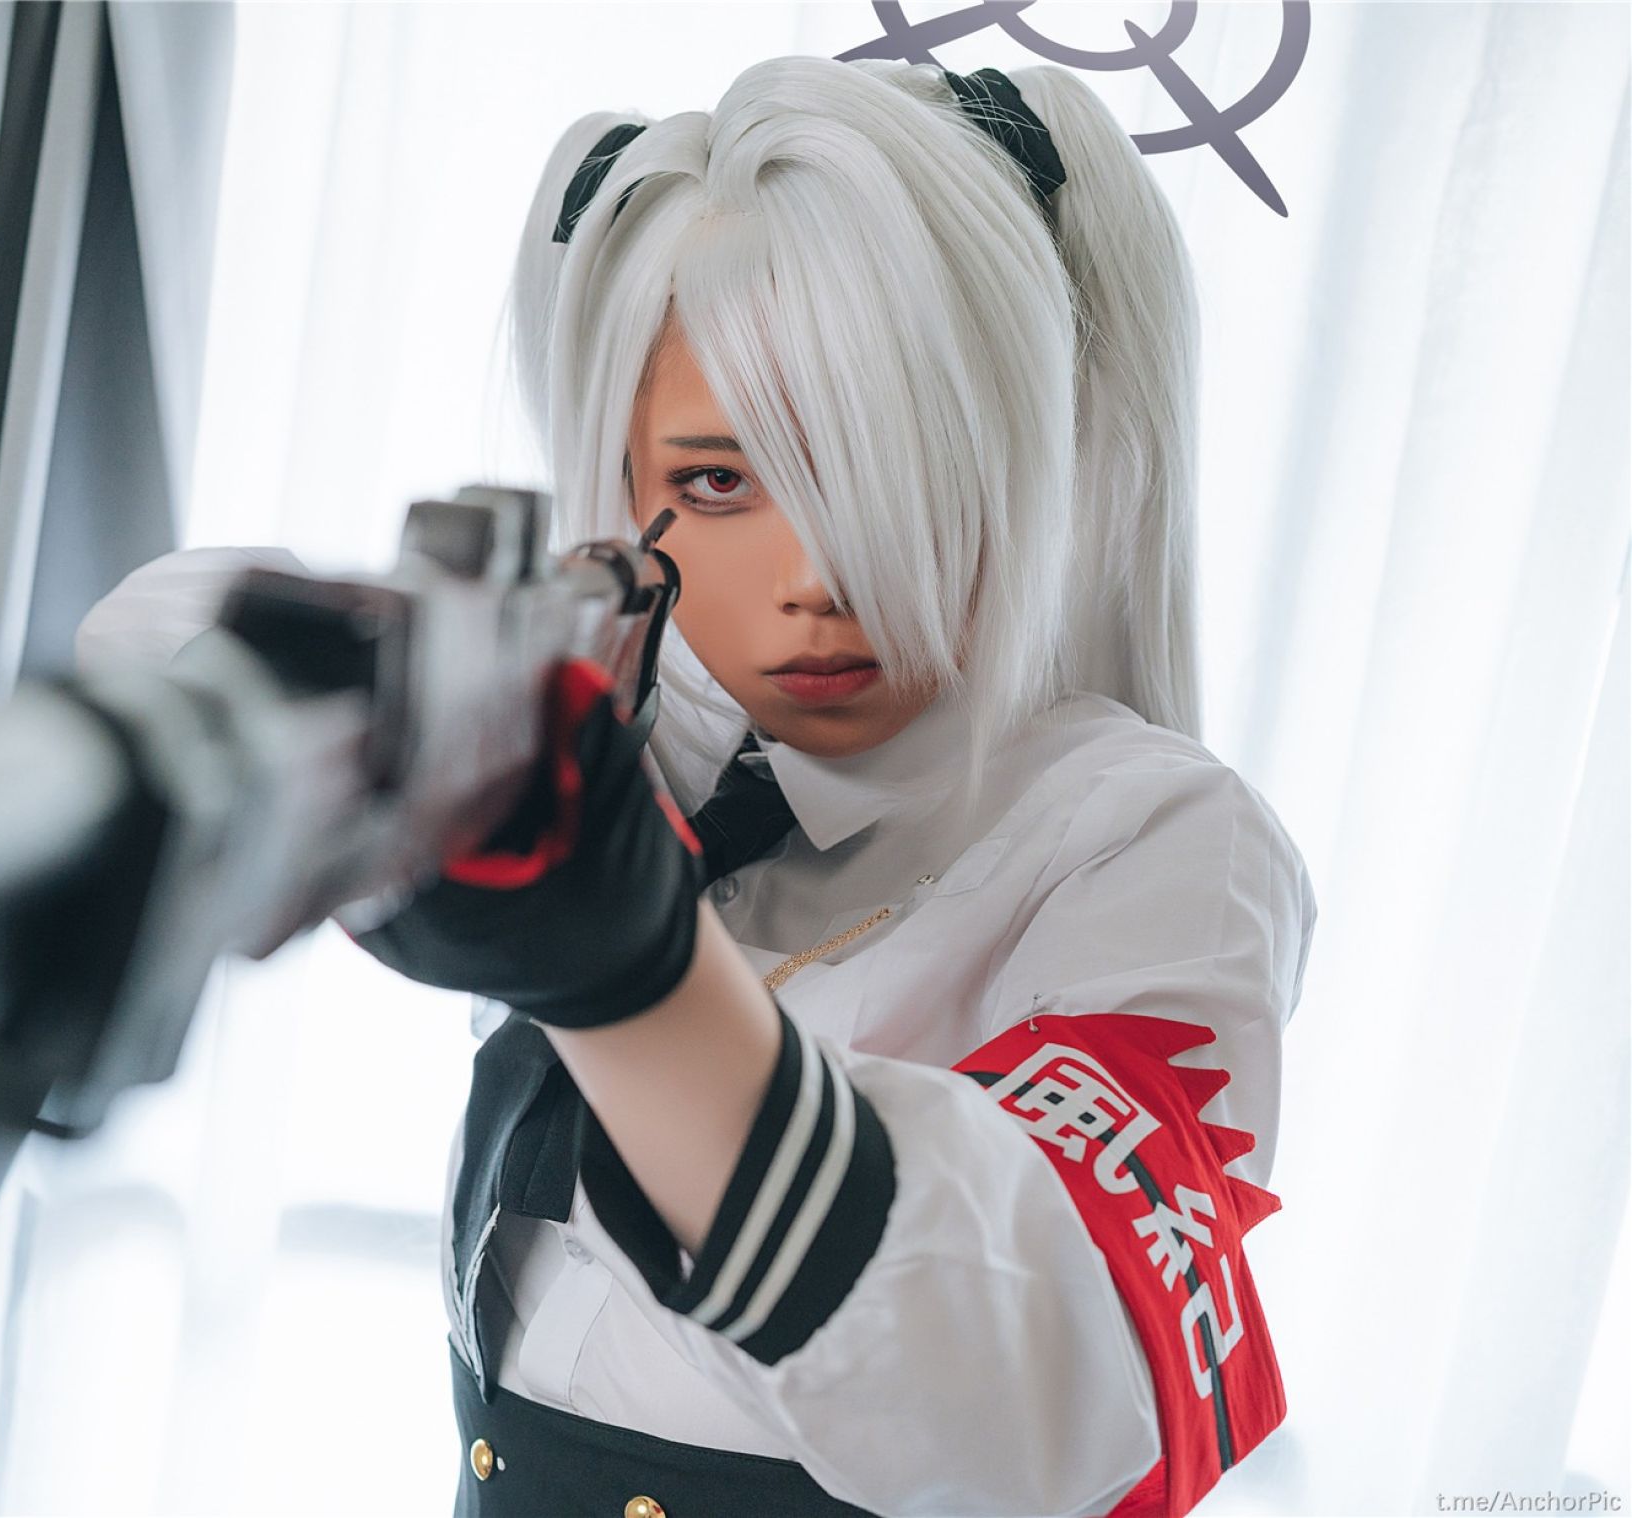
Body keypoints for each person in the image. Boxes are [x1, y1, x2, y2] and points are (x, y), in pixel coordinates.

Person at [76, 55, 1316, 1518]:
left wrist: (639, 985)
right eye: (723, 482)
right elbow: (144, 642)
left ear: (1044, 463)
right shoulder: (643, 733)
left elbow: (1047, 1385)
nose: (817, 579)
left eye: (898, 478)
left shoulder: (1153, 838)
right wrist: (391, 691)